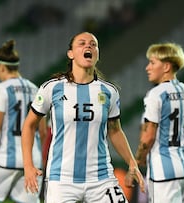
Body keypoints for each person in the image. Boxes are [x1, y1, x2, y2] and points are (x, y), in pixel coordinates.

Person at [21, 32, 145, 203]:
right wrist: (28, 166)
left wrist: (132, 162)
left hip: (101, 178)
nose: (89, 46)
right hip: (62, 179)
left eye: (93, 44)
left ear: (97, 53)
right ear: (70, 53)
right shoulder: (52, 88)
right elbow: (28, 125)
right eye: (82, 43)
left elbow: (115, 130)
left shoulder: (109, 91)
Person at [0, 39, 47, 203]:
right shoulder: (36, 89)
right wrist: (37, 156)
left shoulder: (3, 89)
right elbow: (43, 131)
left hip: (6, 159)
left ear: (1, 67)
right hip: (32, 161)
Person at [133, 42, 184, 203]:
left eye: (152, 62)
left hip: (165, 169)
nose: (147, 68)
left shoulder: (156, 94)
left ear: (166, 67)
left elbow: (149, 136)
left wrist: (136, 162)